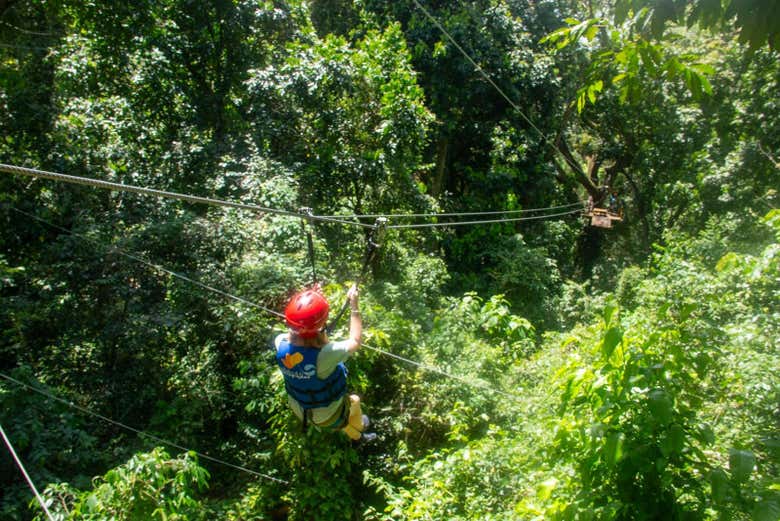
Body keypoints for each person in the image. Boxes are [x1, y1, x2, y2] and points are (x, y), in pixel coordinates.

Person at [275, 284, 374, 441]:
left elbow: (298, 333)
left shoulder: (279, 342)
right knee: (354, 401)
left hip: (300, 409)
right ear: (320, 327)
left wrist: (313, 301)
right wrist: (354, 305)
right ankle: (360, 428)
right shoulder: (325, 355)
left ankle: (357, 437)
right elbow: (356, 340)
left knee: (337, 420)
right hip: (325, 414)